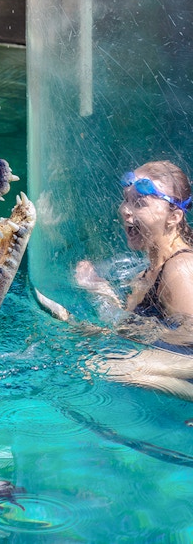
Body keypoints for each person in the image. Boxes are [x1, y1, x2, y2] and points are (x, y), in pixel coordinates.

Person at [36, 160, 193, 400]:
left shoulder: (179, 269)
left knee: (102, 366)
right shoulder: (143, 275)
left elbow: (188, 340)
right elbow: (124, 327)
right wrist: (99, 291)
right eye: (126, 200)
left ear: (174, 217)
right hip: (169, 357)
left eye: (139, 203)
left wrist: (133, 343)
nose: (124, 210)